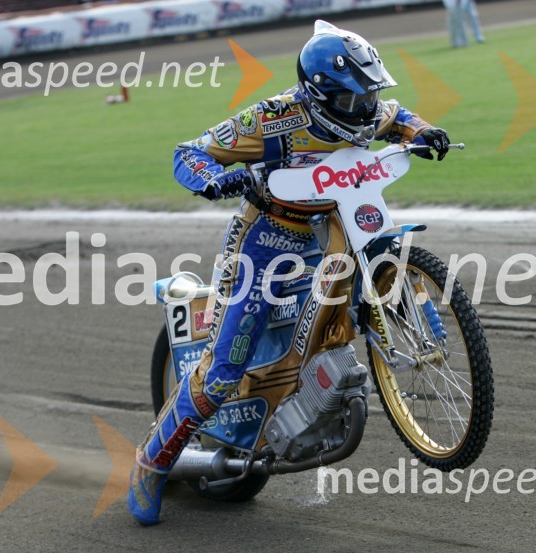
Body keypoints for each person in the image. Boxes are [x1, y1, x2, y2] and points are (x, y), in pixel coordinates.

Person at [127, 20, 451, 526]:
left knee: (368, 265)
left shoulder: (363, 107)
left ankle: (360, 354)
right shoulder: (271, 118)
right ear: (319, 95)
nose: (365, 110)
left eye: (369, 95)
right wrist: (216, 180)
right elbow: (187, 154)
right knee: (222, 373)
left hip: (333, 219)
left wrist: (422, 131)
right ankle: (152, 461)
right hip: (266, 239)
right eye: (353, 100)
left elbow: (394, 115)